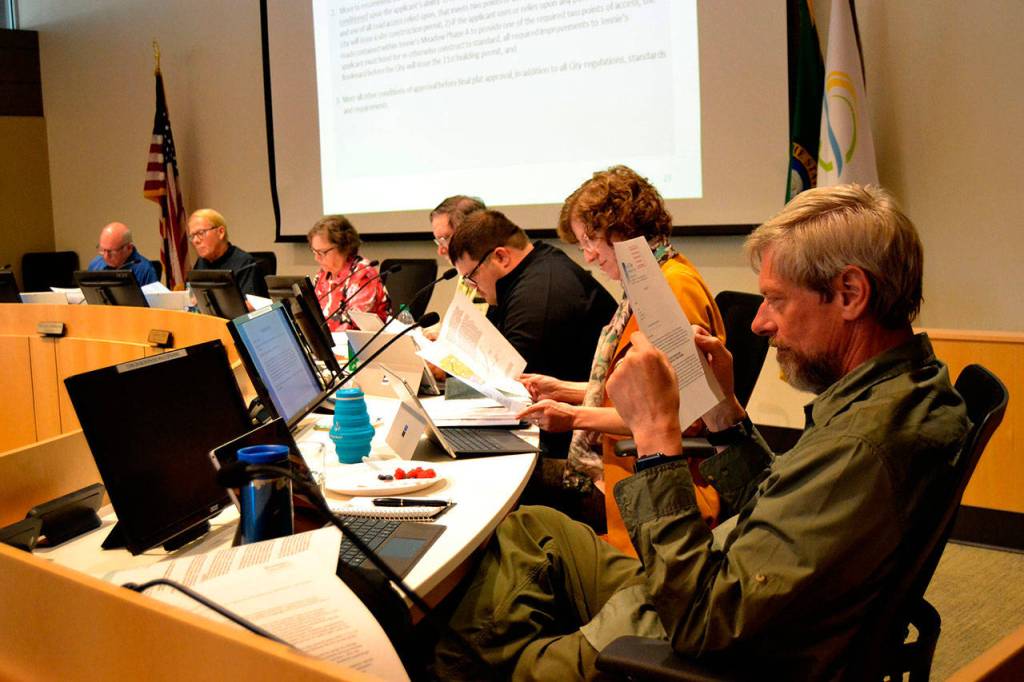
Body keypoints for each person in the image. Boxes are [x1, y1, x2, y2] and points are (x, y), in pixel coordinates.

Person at [433, 184, 971, 680]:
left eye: (777, 301)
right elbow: (780, 507)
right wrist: (724, 416)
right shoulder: (904, 393)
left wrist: (657, 440)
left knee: (472, 659)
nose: (760, 324)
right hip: (706, 582)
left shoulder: (862, 446)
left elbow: (703, 622)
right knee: (532, 530)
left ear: (851, 293)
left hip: (684, 633)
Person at [516, 165, 725, 552]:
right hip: (626, 472)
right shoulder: (649, 283)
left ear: (622, 228)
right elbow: (642, 392)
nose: (589, 256)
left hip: (655, 490)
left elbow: (684, 417)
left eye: (590, 240)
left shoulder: (671, 290)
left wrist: (574, 417)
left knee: (520, 501)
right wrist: (564, 390)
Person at [447, 209, 617, 384]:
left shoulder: (537, 294)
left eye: (471, 277)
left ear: (500, 257)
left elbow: (508, 380)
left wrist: (448, 371)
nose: (473, 289)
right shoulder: (526, 274)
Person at [309, 214, 389, 332]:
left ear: (343, 246)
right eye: (314, 251)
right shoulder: (323, 275)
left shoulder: (363, 274)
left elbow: (352, 326)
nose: (317, 258)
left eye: (322, 252)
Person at [188, 209, 262, 296]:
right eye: (192, 236)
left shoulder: (244, 263)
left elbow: (251, 305)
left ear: (220, 232)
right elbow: (193, 297)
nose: (196, 240)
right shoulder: (201, 262)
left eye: (200, 233)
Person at [86, 222, 158, 286]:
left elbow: (153, 300)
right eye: (103, 250)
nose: (106, 256)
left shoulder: (145, 270)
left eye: (111, 251)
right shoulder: (95, 264)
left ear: (129, 248)